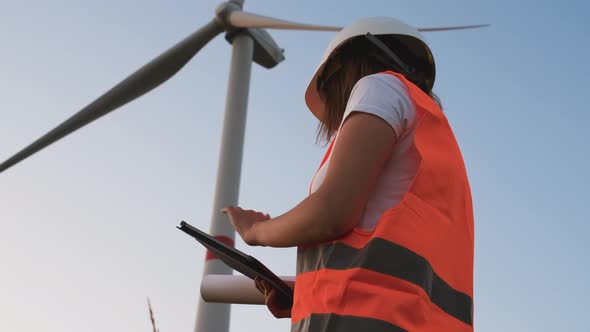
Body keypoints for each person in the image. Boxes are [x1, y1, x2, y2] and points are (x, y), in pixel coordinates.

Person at [222, 17, 474, 332]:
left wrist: (256, 230)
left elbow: (332, 212)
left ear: (343, 68)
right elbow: (393, 275)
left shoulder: (381, 86)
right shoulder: (433, 138)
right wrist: (304, 295)